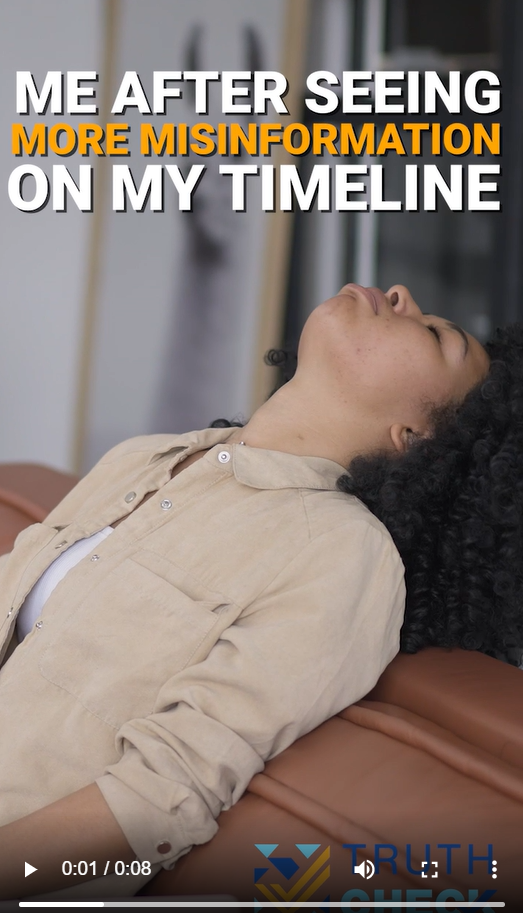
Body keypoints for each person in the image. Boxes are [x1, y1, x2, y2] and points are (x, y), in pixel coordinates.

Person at [0, 282, 510, 901]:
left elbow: (162, 798)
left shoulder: (342, 553)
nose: (401, 293)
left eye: (435, 334)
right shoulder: (148, 457)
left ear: (414, 435)